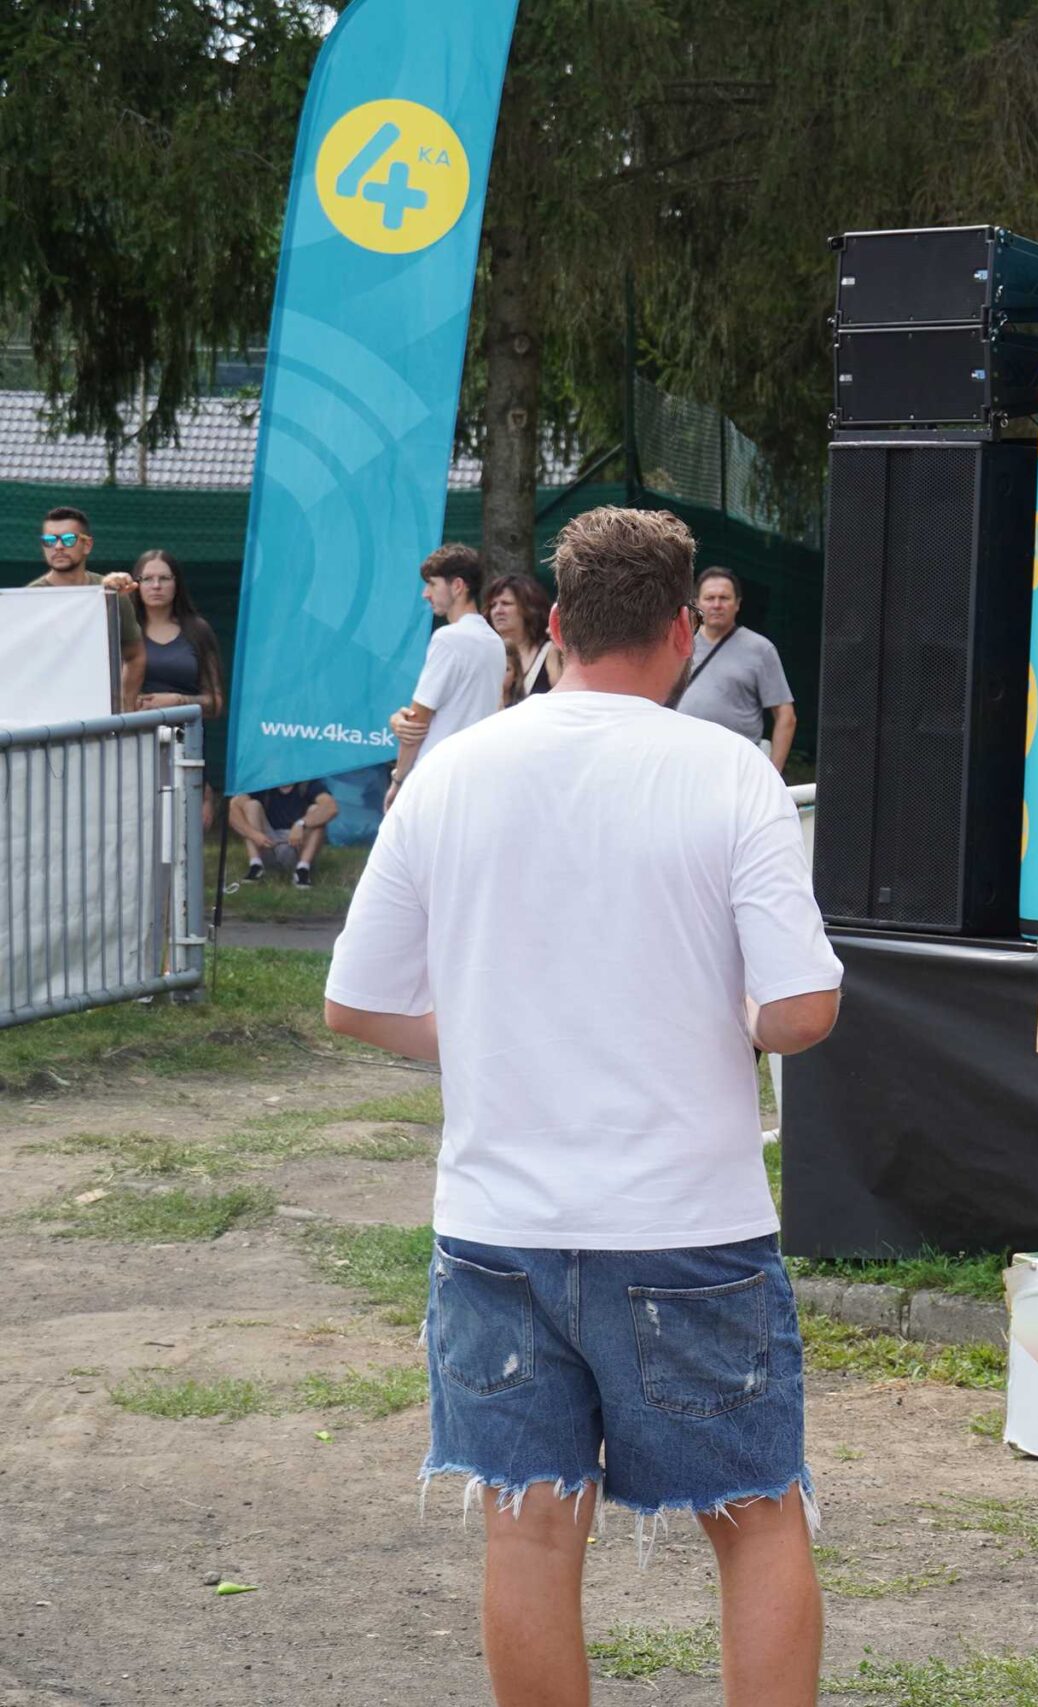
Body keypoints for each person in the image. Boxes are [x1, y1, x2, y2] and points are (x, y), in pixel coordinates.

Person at [324, 505, 843, 1705]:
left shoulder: (455, 770)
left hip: (498, 1221)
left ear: (553, 624)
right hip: (688, 1223)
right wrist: (725, 1020)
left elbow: (356, 1002)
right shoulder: (729, 771)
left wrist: (488, 1042)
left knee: (529, 1531)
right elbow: (801, 1011)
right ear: (682, 631)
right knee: (756, 1520)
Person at [386, 545, 506, 807]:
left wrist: (399, 780)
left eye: (432, 584)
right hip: (474, 779)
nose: (425, 593)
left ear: (458, 586)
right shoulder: (495, 642)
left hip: (435, 777)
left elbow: (417, 722)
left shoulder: (448, 638)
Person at [674, 567, 797, 771]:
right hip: (683, 763)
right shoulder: (679, 644)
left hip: (737, 768)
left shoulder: (760, 649)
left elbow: (786, 716)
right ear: (696, 603)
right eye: (709, 598)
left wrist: (773, 774)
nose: (716, 605)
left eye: (724, 598)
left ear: (737, 604)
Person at [30, 505, 143, 709]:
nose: (58, 546)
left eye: (68, 539)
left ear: (87, 545)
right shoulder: (30, 598)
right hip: (47, 713)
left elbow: (135, 655)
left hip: (101, 715)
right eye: (49, 540)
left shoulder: (111, 592)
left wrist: (124, 709)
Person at [128, 550, 226, 722]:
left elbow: (215, 703)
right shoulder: (123, 630)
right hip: (134, 731)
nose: (156, 585)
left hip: (185, 734)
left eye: (164, 578)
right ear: (137, 585)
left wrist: (179, 701)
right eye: (147, 579)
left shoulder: (198, 630)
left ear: (177, 584)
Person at [228, 778, 337, 887]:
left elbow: (331, 807)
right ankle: (255, 865)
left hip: (298, 846)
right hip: (267, 844)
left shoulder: (308, 784)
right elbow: (233, 807)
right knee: (252, 806)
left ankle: (302, 870)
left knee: (316, 810)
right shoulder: (264, 782)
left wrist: (301, 824)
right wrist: (253, 834)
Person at [484, 571, 561, 705]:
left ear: (528, 608)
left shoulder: (550, 651)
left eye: (506, 603)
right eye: (493, 605)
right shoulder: (486, 654)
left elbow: (562, 697)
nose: (498, 611)